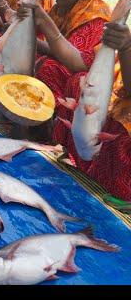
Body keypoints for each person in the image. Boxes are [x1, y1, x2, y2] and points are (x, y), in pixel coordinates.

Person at [52, 17, 131, 201]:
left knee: (121, 129)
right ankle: (80, 162)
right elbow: (83, 61)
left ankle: (113, 184)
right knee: (77, 82)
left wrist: (126, 48)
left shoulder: (94, 17)